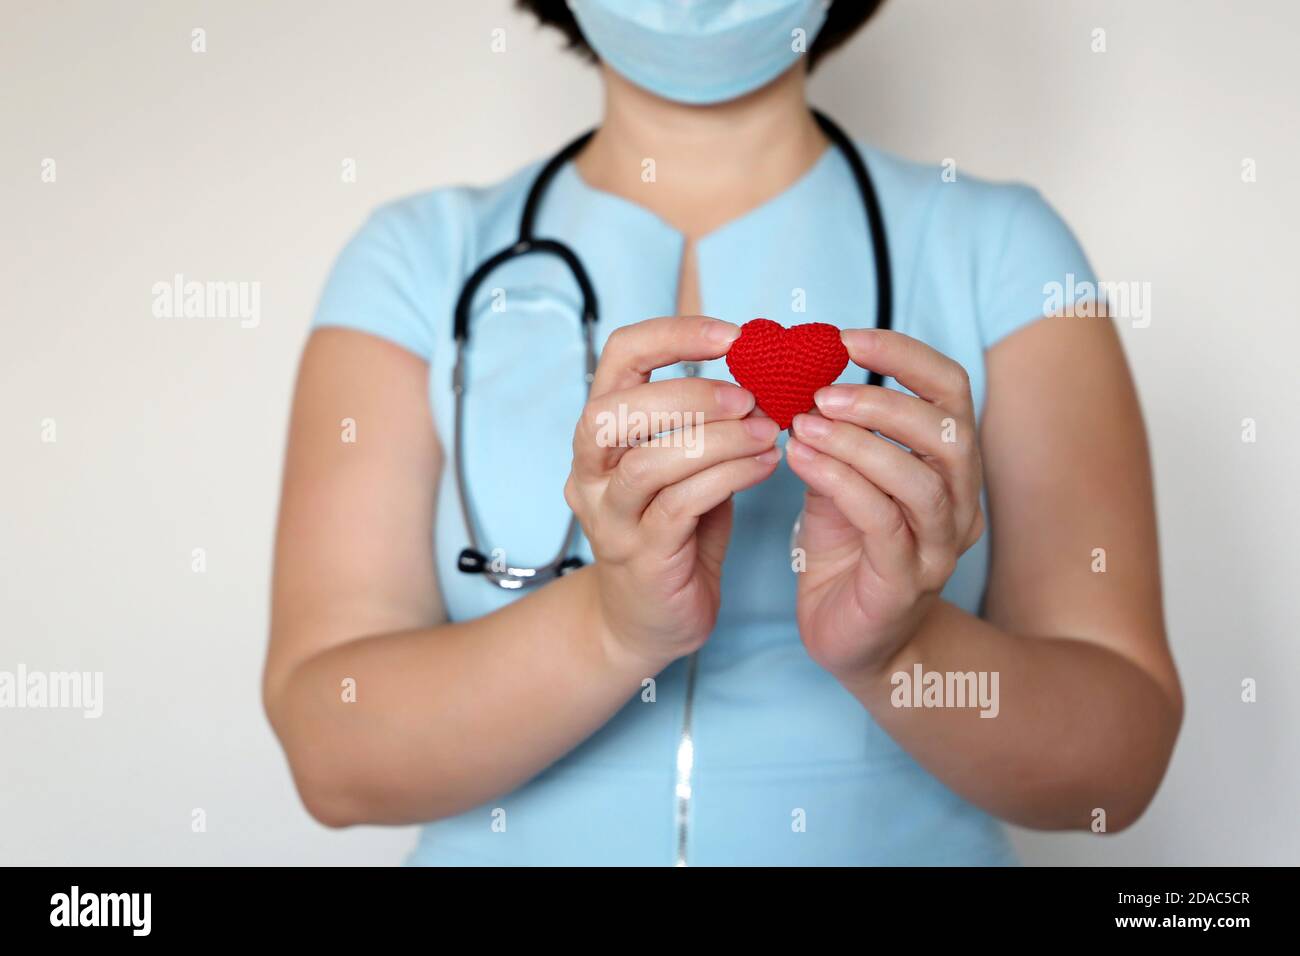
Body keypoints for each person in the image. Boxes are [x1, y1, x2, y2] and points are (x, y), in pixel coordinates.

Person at [263, 0, 1182, 865]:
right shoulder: (417, 260)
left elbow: (1119, 760)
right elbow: (330, 751)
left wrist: (899, 651)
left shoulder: (1005, 246)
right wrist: (611, 626)